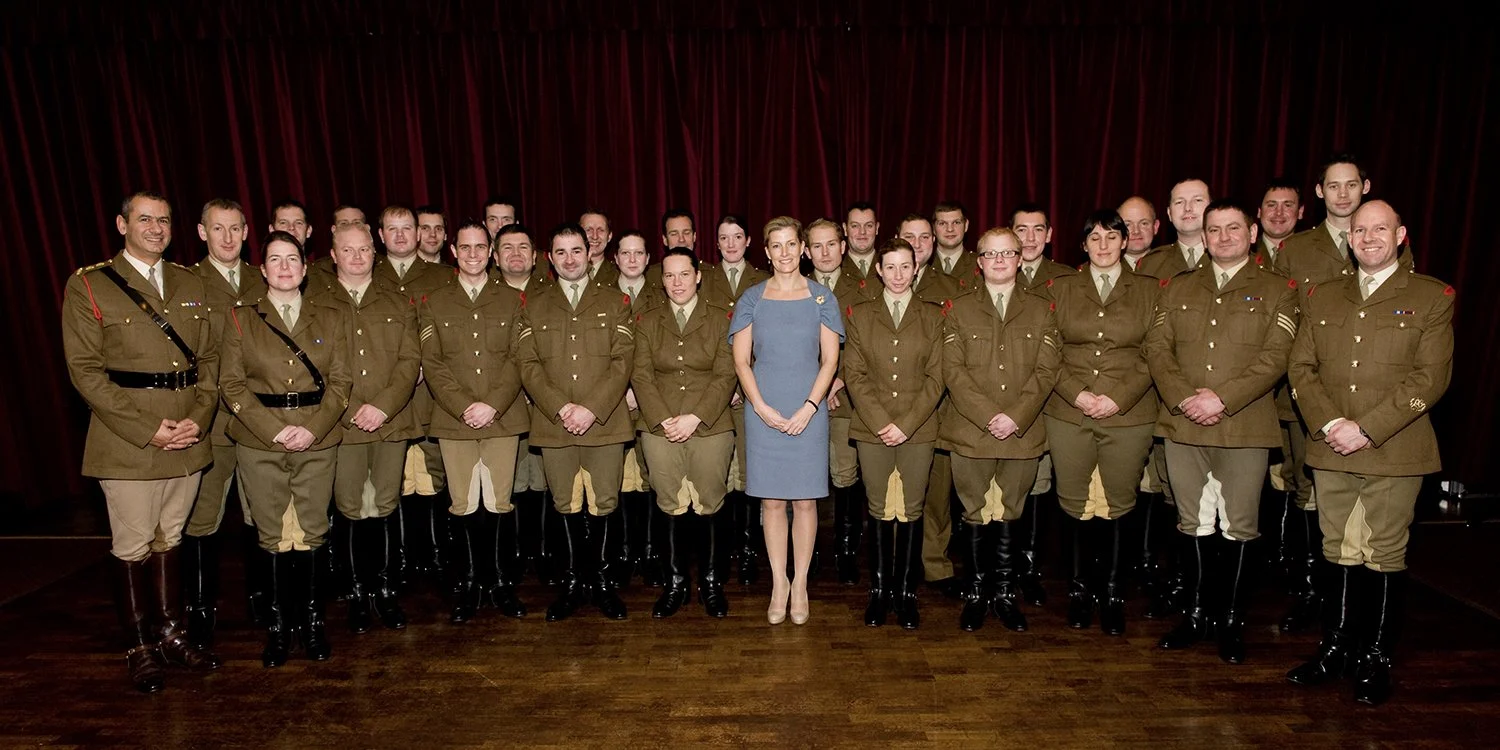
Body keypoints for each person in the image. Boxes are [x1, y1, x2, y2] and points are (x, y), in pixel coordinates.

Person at [1286, 200, 1454, 707]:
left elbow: (1432, 377)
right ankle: (1335, 647)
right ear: (1348, 238)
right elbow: (1302, 367)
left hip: (1394, 449)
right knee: (1337, 547)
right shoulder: (1321, 296)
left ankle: (1375, 656)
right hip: (1332, 445)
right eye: (1359, 230)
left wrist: (1368, 428)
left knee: (1383, 552)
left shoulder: (1431, 296)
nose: (1368, 237)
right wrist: (1333, 424)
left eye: (1380, 229)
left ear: (1400, 234)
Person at [62, 191, 224, 693]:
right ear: (121, 224)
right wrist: (148, 429)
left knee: (170, 539)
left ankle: (172, 634)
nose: (156, 228)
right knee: (132, 545)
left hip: (188, 437)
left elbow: (211, 361)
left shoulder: (189, 281)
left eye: (164, 220)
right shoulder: (90, 285)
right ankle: (139, 645)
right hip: (128, 441)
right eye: (145, 219)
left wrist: (197, 418)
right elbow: (85, 373)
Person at [1144, 200, 1300, 664]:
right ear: (1204, 236)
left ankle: (1230, 620)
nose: (1224, 237)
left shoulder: (1278, 290)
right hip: (1184, 422)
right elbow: (1157, 347)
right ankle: (1195, 615)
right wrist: (1184, 398)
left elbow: (1276, 357)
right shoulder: (1176, 288)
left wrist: (1222, 399)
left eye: (1234, 228)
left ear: (1252, 233)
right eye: (1215, 230)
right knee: (1191, 523)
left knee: (1239, 528)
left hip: (1244, 427)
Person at [219, 231, 352, 668]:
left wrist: (312, 429)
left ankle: (313, 624)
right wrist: (273, 431)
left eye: (291, 258)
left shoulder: (332, 316)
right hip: (260, 441)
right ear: (262, 269)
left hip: (317, 437)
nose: (284, 267)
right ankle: (279, 628)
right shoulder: (241, 318)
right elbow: (232, 385)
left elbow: (341, 384)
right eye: (274, 259)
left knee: (313, 532)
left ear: (305, 265)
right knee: (272, 536)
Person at [1043, 210, 1160, 636]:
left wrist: (1119, 397)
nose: (1104, 245)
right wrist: (1078, 394)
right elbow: (1048, 351)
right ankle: (1079, 592)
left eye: (1113, 236)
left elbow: (1156, 352)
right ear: (1083, 245)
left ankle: (1111, 593)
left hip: (1128, 413)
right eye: (1095, 238)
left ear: (1126, 241)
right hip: (1069, 411)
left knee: (1117, 503)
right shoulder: (1062, 288)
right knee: (1074, 502)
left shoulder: (1149, 291)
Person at [940, 228, 1061, 633]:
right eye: (990, 254)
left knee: (1011, 511)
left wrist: (1015, 416)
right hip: (971, 430)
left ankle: (1005, 594)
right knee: (974, 512)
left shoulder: (1043, 309)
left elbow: (1047, 371)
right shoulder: (957, 308)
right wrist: (988, 415)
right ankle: (977, 594)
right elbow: (952, 371)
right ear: (978, 260)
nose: (998, 261)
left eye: (1006, 253)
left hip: (1021, 431)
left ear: (1019, 257)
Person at [515, 224, 635, 622]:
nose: (570, 259)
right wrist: (560, 408)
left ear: (590, 252)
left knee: (605, 502)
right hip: (555, 424)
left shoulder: (615, 300)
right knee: (564, 503)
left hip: (604, 422)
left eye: (576, 250)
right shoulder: (533, 303)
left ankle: (601, 582)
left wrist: (590, 408)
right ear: (549, 258)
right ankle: (571, 583)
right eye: (561, 252)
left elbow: (622, 362)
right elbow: (528, 364)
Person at [307, 222, 421, 634]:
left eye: (364, 250)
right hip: (344, 423)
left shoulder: (398, 299)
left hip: (390, 422)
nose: (357, 257)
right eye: (347, 250)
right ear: (333, 255)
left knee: (386, 504)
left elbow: (410, 362)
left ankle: (385, 590)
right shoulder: (316, 302)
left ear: (375, 253)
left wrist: (383, 407)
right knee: (351, 507)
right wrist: (354, 408)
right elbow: (314, 367)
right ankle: (356, 591)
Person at [729, 216, 843, 625]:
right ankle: (779, 581)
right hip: (765, 411)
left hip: (808, 411)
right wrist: (759, 407)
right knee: (773, 502)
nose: (784, 253)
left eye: (791, 244)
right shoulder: (751, 299)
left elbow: (830, 360)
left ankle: (802, 584)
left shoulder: (821, 298)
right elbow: (742, 361)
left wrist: (810, 407)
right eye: (775, 245)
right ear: (766, 251)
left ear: (803, 249)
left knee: (806, 501)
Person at [419, 221, 532, 623]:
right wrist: (464, 405)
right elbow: (432, 362)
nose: (472, 254)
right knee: (464, 504)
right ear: (453, 250)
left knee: (500, 503)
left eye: (480, 247)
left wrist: (493, 405)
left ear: (491, 252)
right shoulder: (434, 301)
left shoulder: (513, 300)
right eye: (464, 247)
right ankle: (469, 582)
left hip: (502, 418)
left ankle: (500, 583)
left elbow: (519, 359)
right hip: (454, 419)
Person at [843, 237, 945, 629]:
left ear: (916, 268)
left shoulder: (934, 316)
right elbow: (855, 374)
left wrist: (907, 423)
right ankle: (880, 590)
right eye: (891, 267)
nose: (899, 274)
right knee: (880, 509)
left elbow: (938, 377)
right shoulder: (860, 315)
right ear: (879, 271)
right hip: (873, 429)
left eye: (906, 266)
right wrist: (882, 421)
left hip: (918, 429)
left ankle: (906, 591)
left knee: (913, 510)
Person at [632, 248, 739, 618]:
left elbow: (727, 374)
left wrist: (696, 417)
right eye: (669, 276)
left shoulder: (721, 319)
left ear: (698, 277)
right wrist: (663, 419)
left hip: (709, 426)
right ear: (661, 281)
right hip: (659, 428)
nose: (677, 282)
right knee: (669, 505)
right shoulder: (646, 321)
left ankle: (712, 583)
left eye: (684, 274)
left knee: (711, 503)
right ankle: (674, 583)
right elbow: (641, 375)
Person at [184, 198, 268, 648]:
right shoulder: (186, 283)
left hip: (259, 422)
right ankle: (201, 607)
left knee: (260, 514)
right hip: (212, 422)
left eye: (236, 228)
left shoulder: (264, 278)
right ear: (202, 233)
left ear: (247, 230)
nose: (228, 238)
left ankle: (262, 597)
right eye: (219, 229)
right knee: (204, 518)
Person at [1010, 202, 1075, 607]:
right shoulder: (991, 277)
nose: (1029, 238)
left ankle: (1029, 567)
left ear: (1050, 235)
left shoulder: (1067, 280)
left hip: (1049, 401)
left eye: (1037, 230)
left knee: (1038, 482)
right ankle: (1004, 566)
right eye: (1021, 230)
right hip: (1000, 401)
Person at [702, 213, 772, 585]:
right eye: (723, 238)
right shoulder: (703, 280)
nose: (730, 244)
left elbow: (770, 340)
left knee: (748, 473)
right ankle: (721, 550)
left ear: (748, 242)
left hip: (752, 392)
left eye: (737, 237)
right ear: (716, 243)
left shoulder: (763, 280)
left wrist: (745, 385)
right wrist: (723, 385)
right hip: (713, 393)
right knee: (717, 474)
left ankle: (748, 551)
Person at [898, 213, 964, 600]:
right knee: (895, 495)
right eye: (910, 236)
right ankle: (895, 563)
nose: (919, 242)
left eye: (925, 236)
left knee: (936, 492)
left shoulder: (952, 287)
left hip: (938, 406)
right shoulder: (883, 282)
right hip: (894, 405)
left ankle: (935, 564)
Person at [807, 219, 876, 584]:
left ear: (843, 245)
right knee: (808, 477)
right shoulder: (793, 288)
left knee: (845, 475)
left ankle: (847, 552)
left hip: (848, 399)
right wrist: (816, 387)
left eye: (831, 244)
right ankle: (810, 552)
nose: (825, 252)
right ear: (806, 251)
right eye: (816, 246)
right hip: (803, 400)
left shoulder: (864, 290)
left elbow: (868, 344)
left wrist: (840, 381)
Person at [493, 223, 555, 581]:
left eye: (522, 247)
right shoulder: (485, 297)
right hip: (506, 407)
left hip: (545, 404)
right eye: (507, 248)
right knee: (512, 483)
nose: (515, 254)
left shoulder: (550, 295)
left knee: (545, 482)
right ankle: (513, 557)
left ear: (536, 256)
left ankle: (547, 554)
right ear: (495, 256)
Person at [608, 231, 668, 586]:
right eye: (625, 253)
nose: (632, 260)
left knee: (649, 480)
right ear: (616, 258)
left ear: (648, 259)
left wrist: (640, 394)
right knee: (616, 481)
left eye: (639, 253)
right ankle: (621, 554)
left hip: (650, 401)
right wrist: (619, 392)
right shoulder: (602, 294)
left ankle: (650, 553)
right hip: (612, 403)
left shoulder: (662, 295)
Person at [932, 200, 977, 280]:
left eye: (956, 222)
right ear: (933, 228)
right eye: (942, 223)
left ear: (966, 225)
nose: (950, 229)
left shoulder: (980, 264)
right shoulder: (923, 264)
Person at [1118, 196, 1161, 272]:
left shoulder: (1172, 268)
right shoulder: (1105, 270)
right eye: (1127, 225)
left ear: (1155, 227)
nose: (1136, 231)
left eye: (1144, 223)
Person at [842, 201, 882, 281]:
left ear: (877, 228)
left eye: (869, 225)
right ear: (845, 229)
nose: (862, 232)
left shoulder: (889, 266)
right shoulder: (835, 270)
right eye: (855, 226)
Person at [580, 210, 614, 281]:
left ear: (609, 236)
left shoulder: (619, 273)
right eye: (588, 230)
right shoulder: (564, 269)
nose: (595, 236)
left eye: (600, 230)